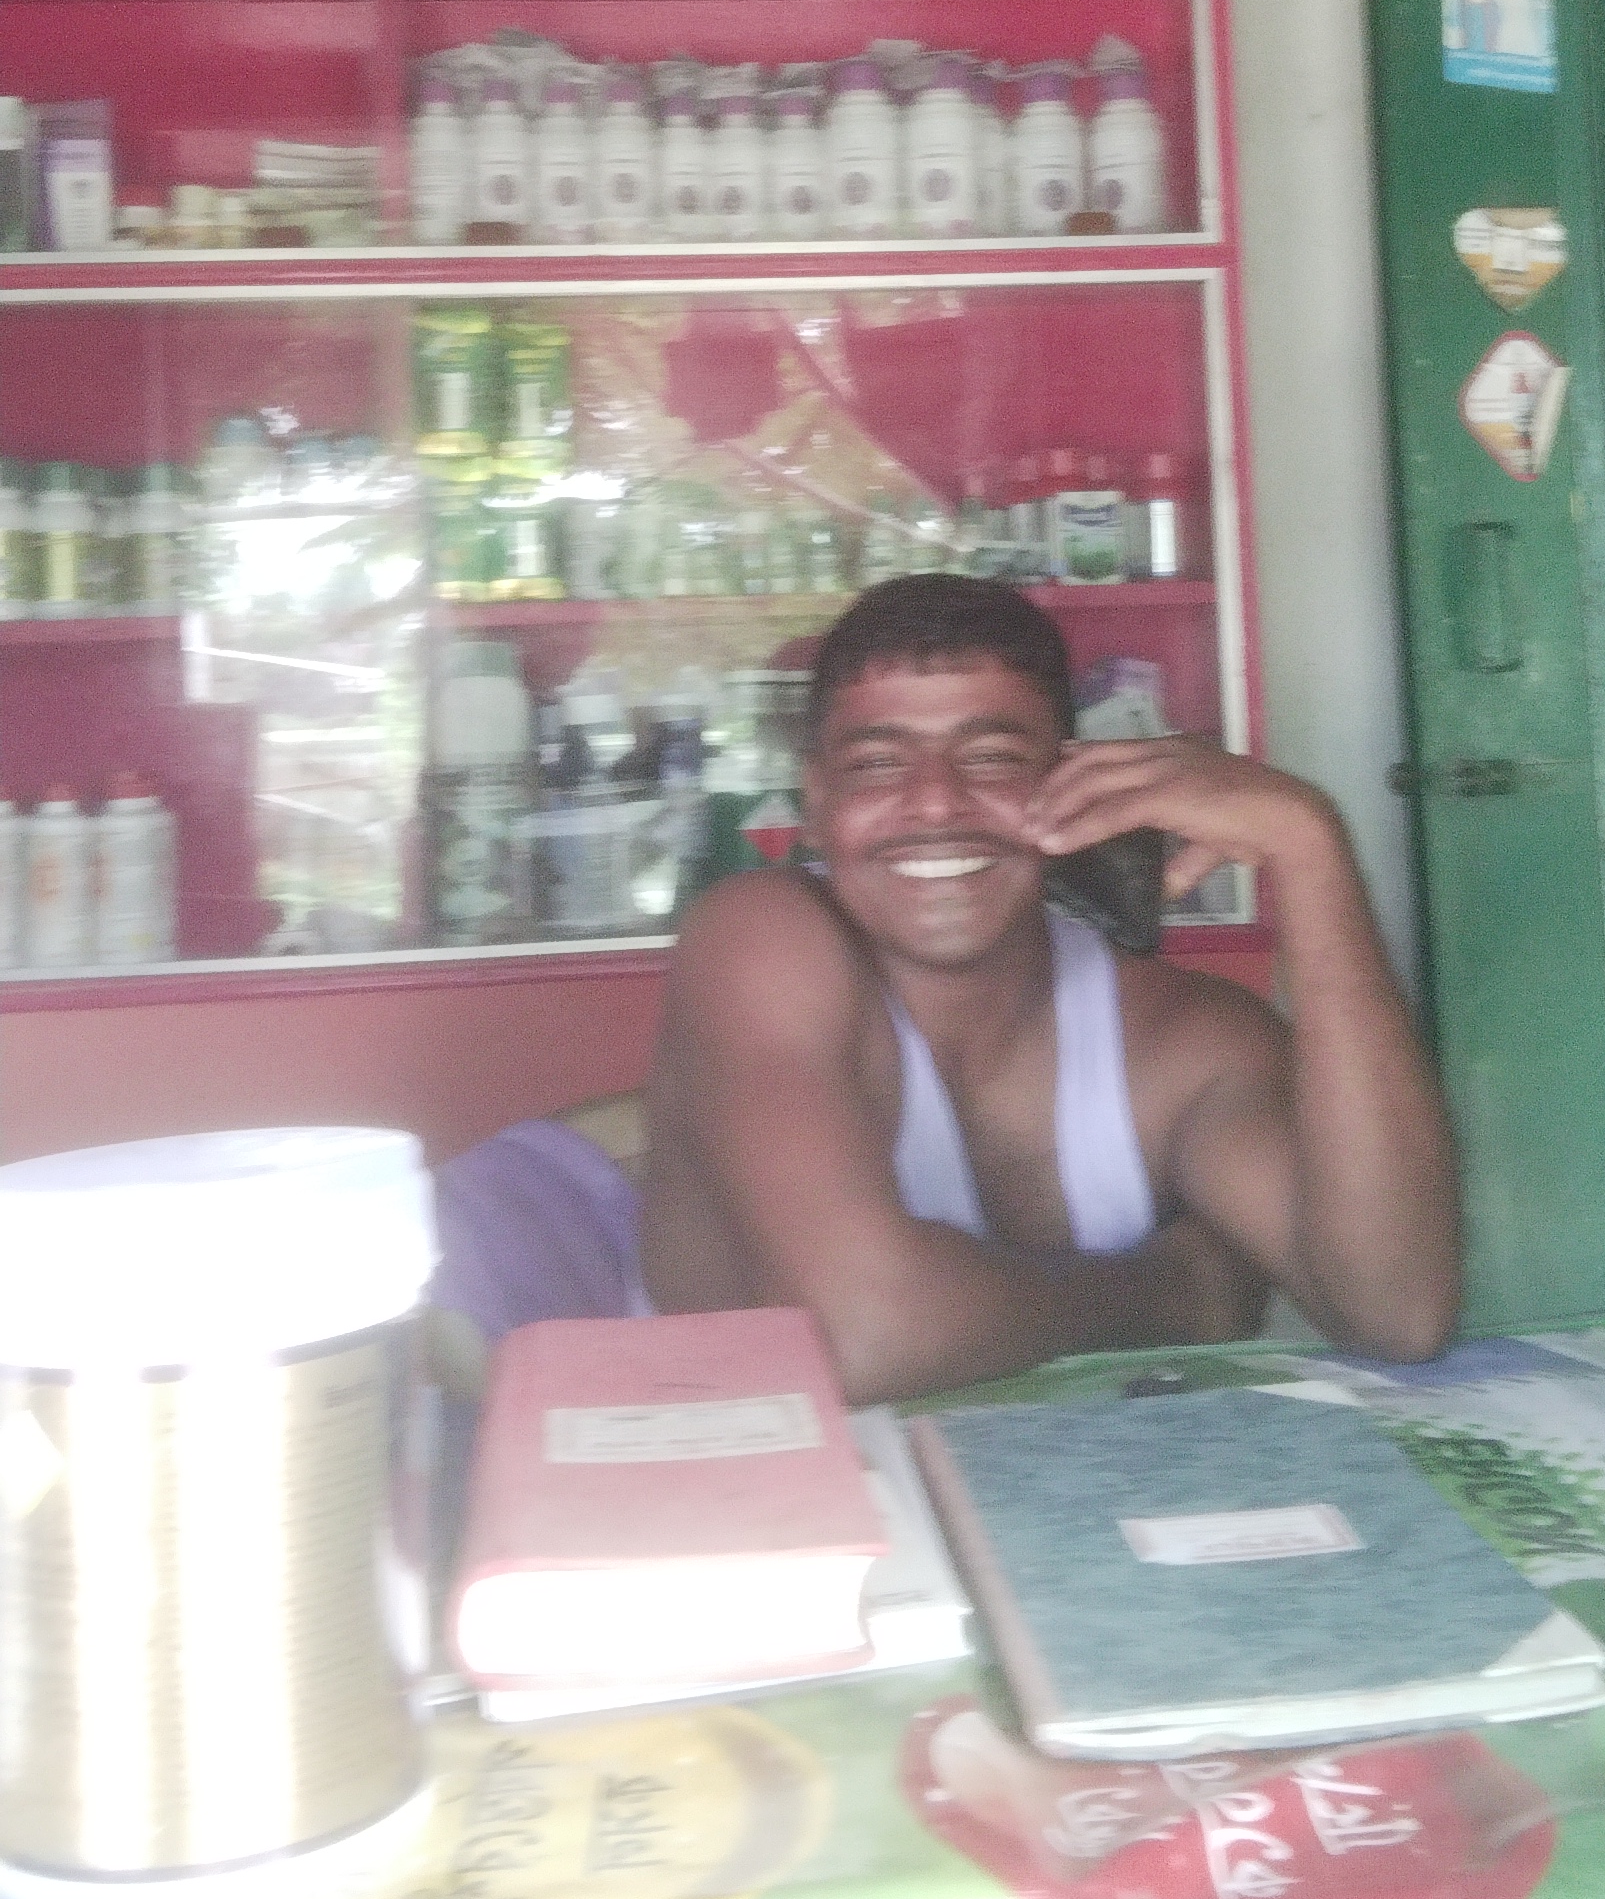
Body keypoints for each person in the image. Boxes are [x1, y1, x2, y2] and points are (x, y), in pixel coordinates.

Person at [432, 578, 1459, 1402]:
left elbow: (1397, 1313)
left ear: (1079, 786)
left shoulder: (1185, 1043)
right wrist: (1175, 1289)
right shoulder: (761, 938)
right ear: (816, 806)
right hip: (720, 1488)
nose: (935, 804)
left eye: (993, 756)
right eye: (878, 765)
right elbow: (868, 1335)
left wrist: (1311, 850)